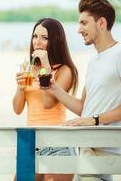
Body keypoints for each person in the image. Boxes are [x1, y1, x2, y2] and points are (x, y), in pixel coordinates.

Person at [48, 0, 121, 181]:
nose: (79, 29)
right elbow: (84, 107)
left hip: (104, 147)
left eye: (84, 23)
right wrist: (54, 89)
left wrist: (93, 120)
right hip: (85, 144)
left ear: (101, 22)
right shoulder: (93, 62)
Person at [13, 18, 78, 181]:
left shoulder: (64, 70)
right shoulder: (28, 67)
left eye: (45, 38)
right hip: (30, 140)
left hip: (57, 141)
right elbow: (17, 109)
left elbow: (48, 103)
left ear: (55, 41)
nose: (37, 42)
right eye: (35, 36)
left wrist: (46, 66)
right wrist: (20, 88)